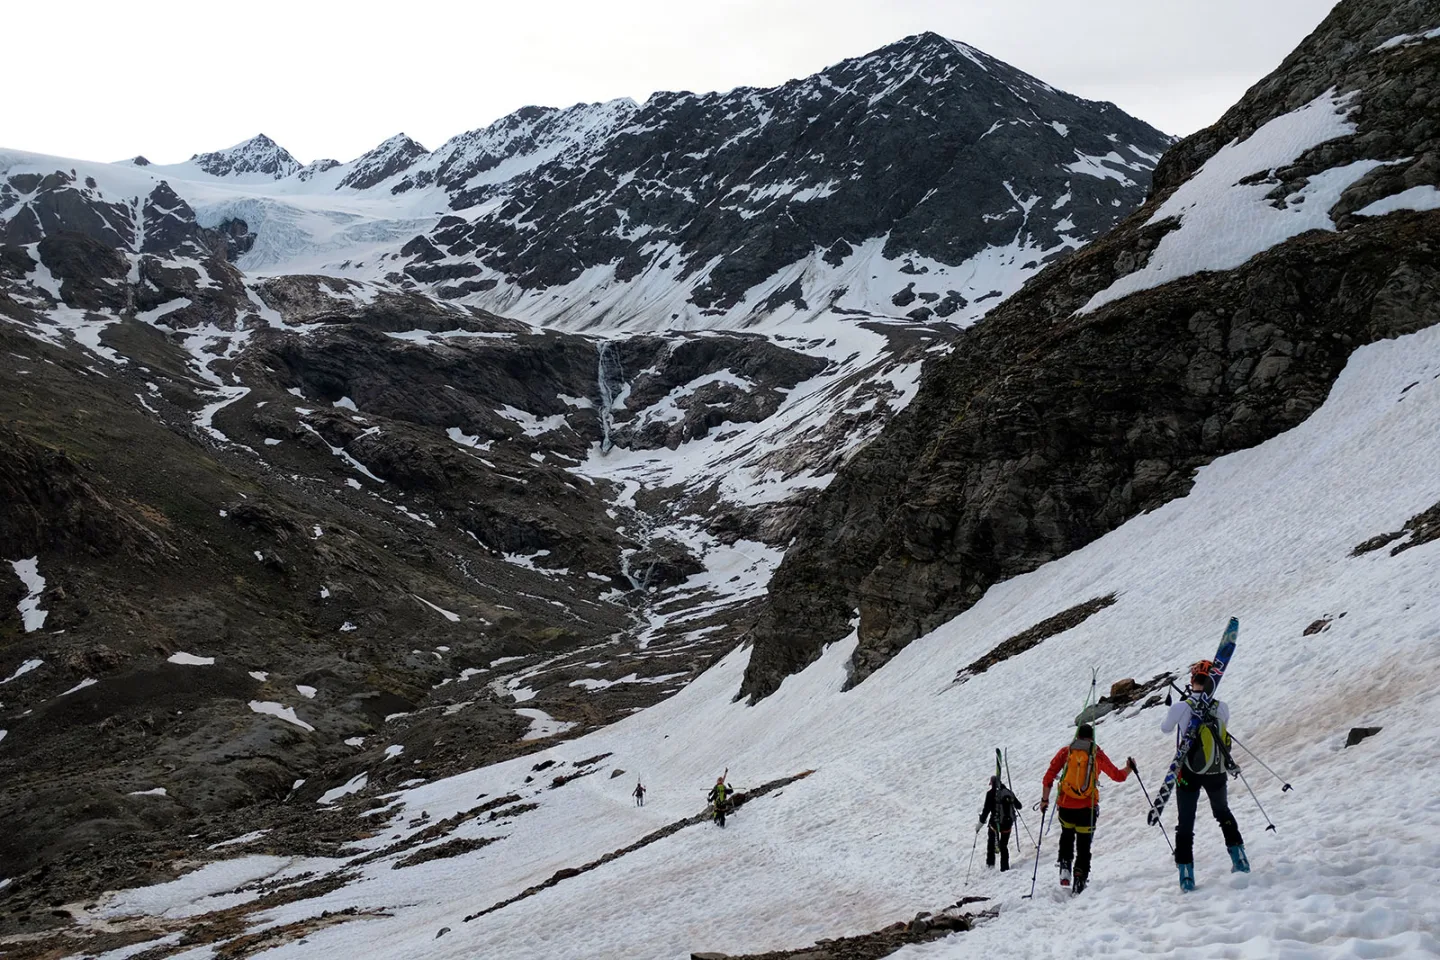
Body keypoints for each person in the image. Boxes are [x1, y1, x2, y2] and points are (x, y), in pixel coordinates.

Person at [1162, 663, 1247, 891]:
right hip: (1216, 769)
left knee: (1186, 823)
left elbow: (1166, 729)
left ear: (1192, 682)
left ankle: (1186, 875)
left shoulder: (1181, 707)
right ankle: (1240, 859)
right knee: (1222, 812)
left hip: (1188, 770)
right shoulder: (1222, 707)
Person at [1041, 723, 1135, 894]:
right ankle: (1080, 877)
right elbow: (1117, 776)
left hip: (1066, 807)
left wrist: (1044, 800)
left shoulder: (1066, 752)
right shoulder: (1096, 753)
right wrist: (1129, 768)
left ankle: (1064, 868)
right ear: (1092, 737)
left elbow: (1048, 777)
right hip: (1087, 807)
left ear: (1077, 735)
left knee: (1066, 835)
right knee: (1084, 845)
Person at [977, 775, 1022, 871]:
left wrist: (980, 824)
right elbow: (1019, 806)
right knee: (1004, 845)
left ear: (991, 783)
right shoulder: (1008, 792)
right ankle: (1004, 868)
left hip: (995, 824)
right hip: (1007, 824)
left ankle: (990, 864)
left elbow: (986, 811)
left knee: (991, 843)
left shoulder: (990, 794)